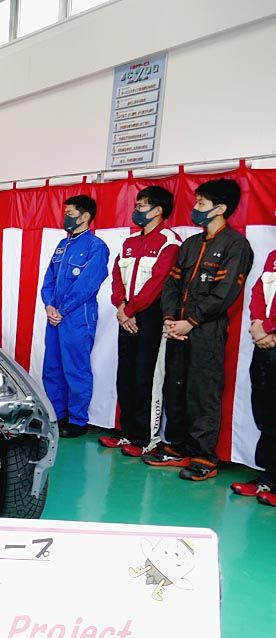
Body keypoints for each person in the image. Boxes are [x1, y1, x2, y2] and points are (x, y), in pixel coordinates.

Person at [144, 179, 254, 481]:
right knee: (175, 387)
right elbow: (171, 284)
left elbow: (226, 292)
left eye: (201, 204)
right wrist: (170, 318)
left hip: (207, 330)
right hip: (177, 327)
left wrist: (191, 321)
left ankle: (204, 456)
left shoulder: (236, 245)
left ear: (220, 208)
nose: (195, 208)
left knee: (203, 391)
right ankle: (177, 447)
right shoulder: (190, 244)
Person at [98, 186, 181, 457]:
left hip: (151, 316)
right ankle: (127, 432)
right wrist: (121, 307)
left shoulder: (170, 242)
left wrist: (131, 310)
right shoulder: (129, 242)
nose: (137, 209)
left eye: (142, 205)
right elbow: (116, 276)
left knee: (147, 376)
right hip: (127, 314)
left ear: (158, 210)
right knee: (126, 374)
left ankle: (146, 438)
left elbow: (158, 282)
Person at [40, 195, 110, 439]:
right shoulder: (62, 245)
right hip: (55, 316)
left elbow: (87, 285)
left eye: (70, 214)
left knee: (76, 368)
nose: (65, 218)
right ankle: (58, 415)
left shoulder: (96, 247)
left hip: (78, 317)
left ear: (85, 216)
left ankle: (78, 420)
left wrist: (63, 309)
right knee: (52, 367)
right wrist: (49, 305)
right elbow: (49, 280)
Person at [230, 247, 276, 506]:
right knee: (266, 410)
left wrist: (269, 327)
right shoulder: (273, 256)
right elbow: (258, 292)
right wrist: (259, 324)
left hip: (271, 334)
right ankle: (269, 476)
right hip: (265, 343)